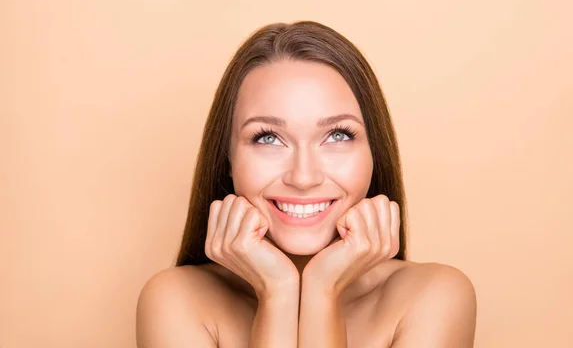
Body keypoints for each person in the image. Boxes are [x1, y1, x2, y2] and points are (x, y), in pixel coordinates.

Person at [136, 21, 477, 347]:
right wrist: (278, 291)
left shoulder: (433, 296)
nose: (303, 177)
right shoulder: (176, 300)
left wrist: (321, 290)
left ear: (375, 153)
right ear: (227, 159)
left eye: (337, 135)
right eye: (268, 138)